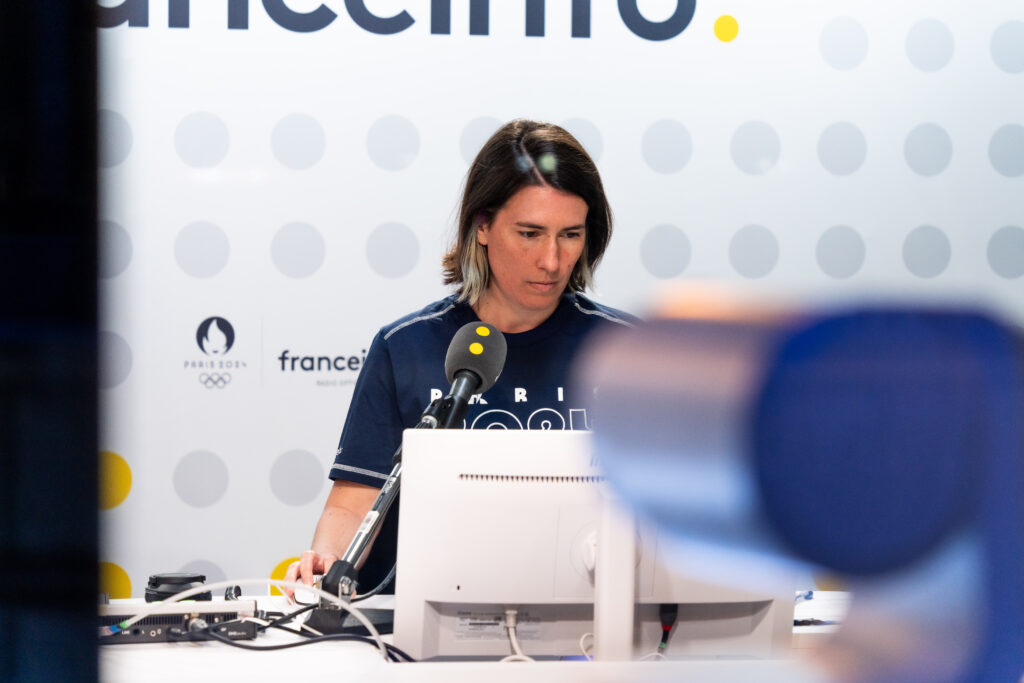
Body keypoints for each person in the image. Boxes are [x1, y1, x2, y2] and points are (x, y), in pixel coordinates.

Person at [284, 119, 636, 597]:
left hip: (591, 625)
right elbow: (354, 503)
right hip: (424, 624)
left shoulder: (630, 353)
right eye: (530, 233)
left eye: (570, 234)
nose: (552, 261)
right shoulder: (406, 346)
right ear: (482, 226)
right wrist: (328, 563)